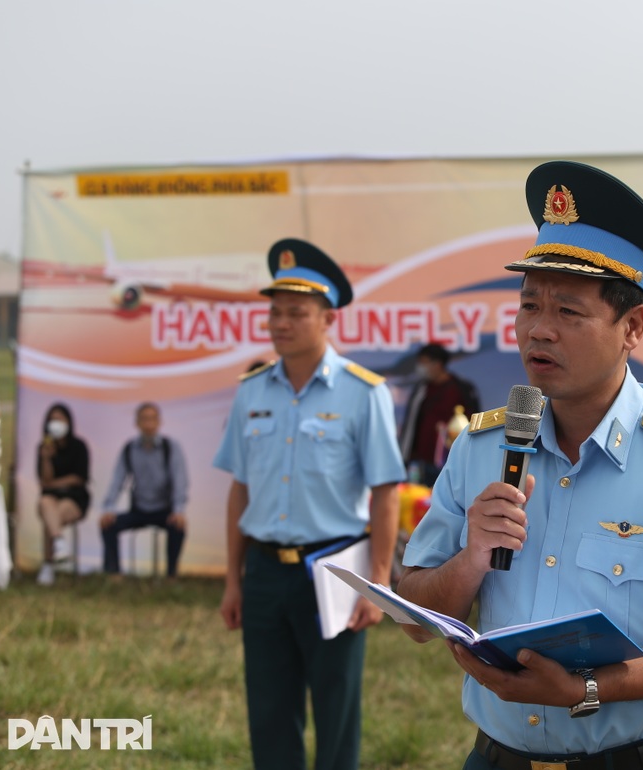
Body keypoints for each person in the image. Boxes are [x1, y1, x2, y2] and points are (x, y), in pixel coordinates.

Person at [397, 161, 643, 769]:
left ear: (633, 327)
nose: (538, 331)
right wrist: (468, 560)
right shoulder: (482, 447)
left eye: (569, 313)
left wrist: (587, 690)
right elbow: (414, 613)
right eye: (528, 306)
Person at [213, 237, 405, 770]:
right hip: (265, 573)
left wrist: (380, 581)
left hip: (335, 570)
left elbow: (386, 489)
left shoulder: (362, 392)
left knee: (336, 709)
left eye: (296, 313)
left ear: (328, 320)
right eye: (275, 312)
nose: (280, 323)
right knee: (269, 712)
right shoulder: (251, 391)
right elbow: (240, 489)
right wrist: (234, 578)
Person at [98, 402, 189, 578]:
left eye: (152, 419)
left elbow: (180, 481)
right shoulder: (129, 449)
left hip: (164, 510)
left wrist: (179, 510)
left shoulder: (170, 448)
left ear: (159, 422)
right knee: (108, 525)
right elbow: (117, 481)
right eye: (144, 419)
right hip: (139, 509)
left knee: (178, 527)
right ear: (137, 423)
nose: (149, 424)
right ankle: (114, 574)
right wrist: (108, 508)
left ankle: (171, 575)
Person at [399, 342, 481, 486]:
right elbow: (411, 424)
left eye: (423, 363)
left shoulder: (462, 389)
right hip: (421, 462)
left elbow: (475, 423)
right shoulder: (421, 389)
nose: (420, 368)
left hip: (451, 462)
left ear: (437, 364)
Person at [36, 402, 91, 587]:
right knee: (46, 504)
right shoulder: (44, 448)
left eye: (60, 419)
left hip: (74, 498)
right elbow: (44, 480)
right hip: (50, 498)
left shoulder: (78, 446)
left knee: (52, 516)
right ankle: (59, 542)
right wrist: (46, 458)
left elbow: (79, 478)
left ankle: (48, 564)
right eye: (52, 419)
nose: (56, 423)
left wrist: (54, 484)